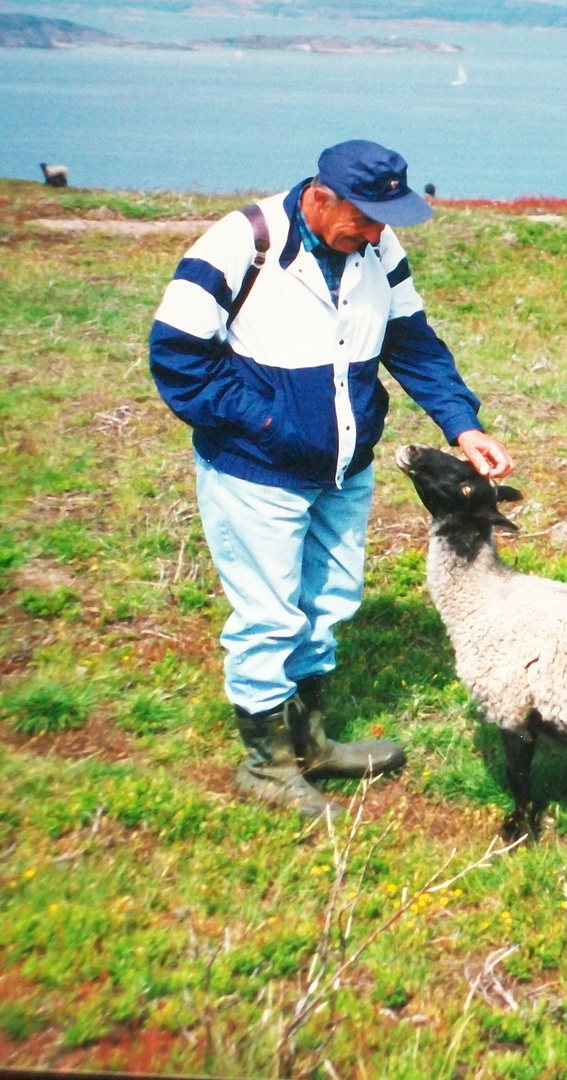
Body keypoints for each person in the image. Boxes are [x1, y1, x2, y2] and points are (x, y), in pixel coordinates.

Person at [149, 139, 513, 819]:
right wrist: (269, 427)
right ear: (320, 196)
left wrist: (462, 426)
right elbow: (177, 358)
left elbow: (413, 343)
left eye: (385, 221)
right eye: (366, 219)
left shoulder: (378, 248)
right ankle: (265, 767)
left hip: (345, 471)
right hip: (257, 474)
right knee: (268, 615)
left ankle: (309, 743)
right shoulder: (240, 243)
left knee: (331, 602)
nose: (376, 234)